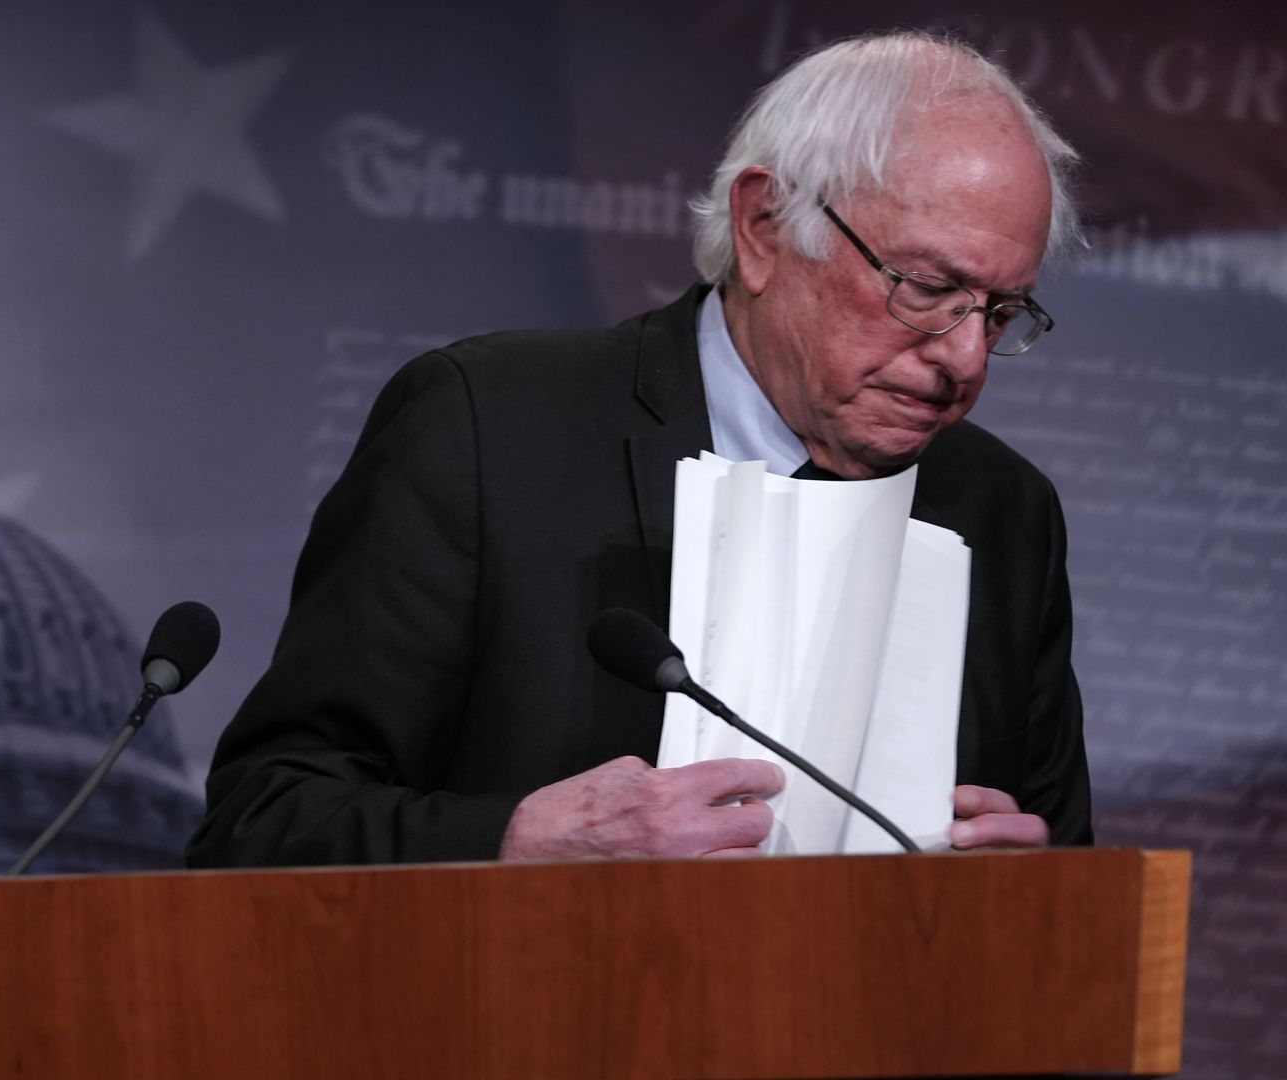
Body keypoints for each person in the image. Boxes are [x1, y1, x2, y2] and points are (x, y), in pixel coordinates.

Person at [187, 32, 1092, 868]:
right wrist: (519, 842)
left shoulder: (1003, 511)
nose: (963, 359)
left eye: (1002, 312)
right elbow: (261, 821)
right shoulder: (486, 430)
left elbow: (1072, 900)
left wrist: (1018, 905)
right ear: (763, 229)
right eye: (926, 288)